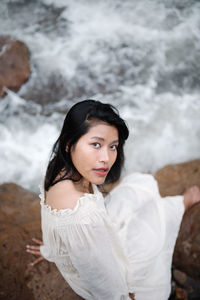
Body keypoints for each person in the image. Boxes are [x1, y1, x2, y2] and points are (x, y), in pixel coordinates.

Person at [26, 99, 200, 300]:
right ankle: (185, 202)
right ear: (68, 144)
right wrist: (126, 296)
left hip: (102, 231)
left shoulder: (57, 169)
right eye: (96, 144)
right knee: (158, 215)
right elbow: (103, 283)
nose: (106, 158)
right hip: (118, 266)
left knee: (142, 183)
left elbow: (52, 223)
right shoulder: (83, 219)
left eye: (113, 146)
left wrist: (51, 250)